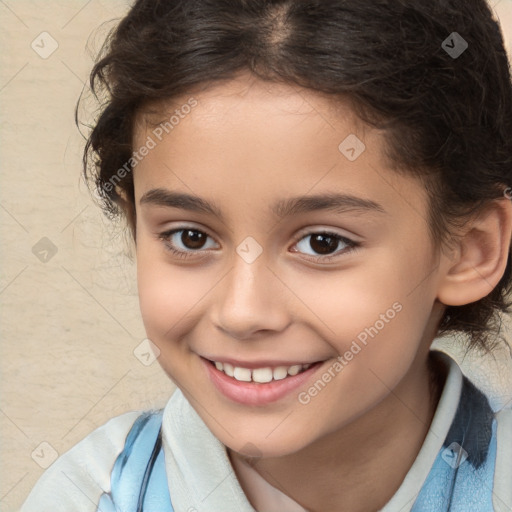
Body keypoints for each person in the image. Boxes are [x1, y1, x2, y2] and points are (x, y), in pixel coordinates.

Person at [20, 0, 512, 511]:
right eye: (190, 237)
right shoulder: (90, 497)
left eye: (323, 242)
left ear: (470, 249)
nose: (242, 312)